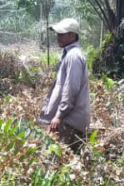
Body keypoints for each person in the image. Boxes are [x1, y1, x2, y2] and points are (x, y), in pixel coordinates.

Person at [38, 18, 90, 153]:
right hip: (68, 120)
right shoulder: (70, 55)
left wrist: (59, 116)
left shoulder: (73, 57)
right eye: (58, 34)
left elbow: (71, 89)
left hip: (69, 121)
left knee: (58, 163)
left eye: (62, 34)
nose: (58, 37)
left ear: (72, 36)